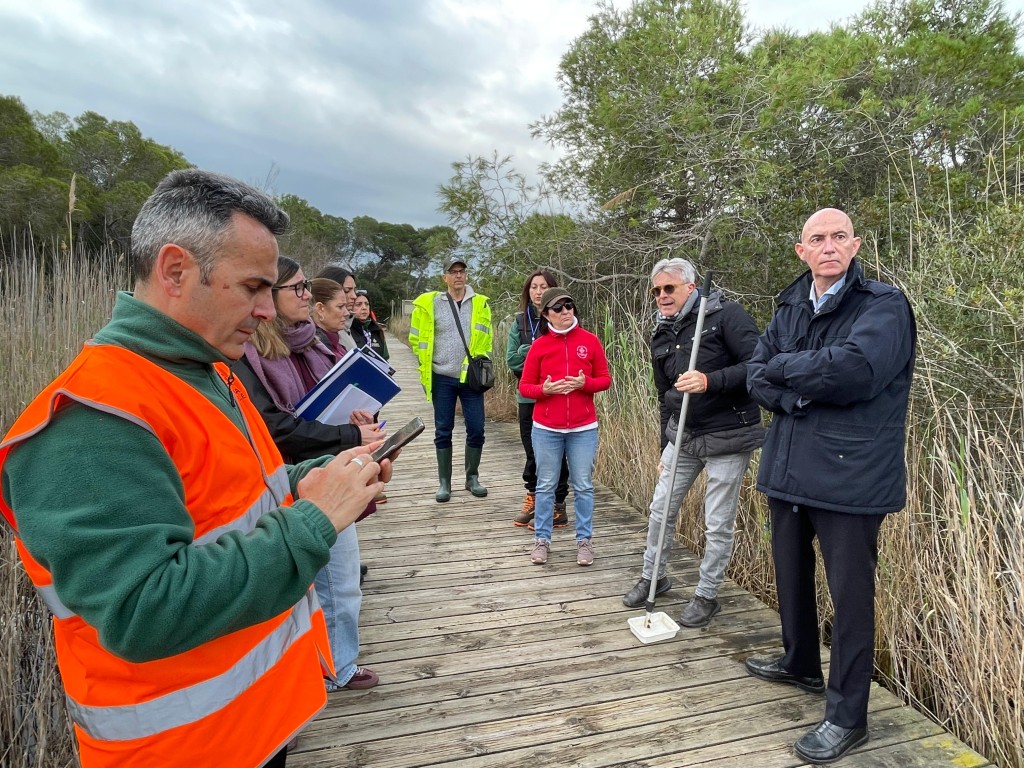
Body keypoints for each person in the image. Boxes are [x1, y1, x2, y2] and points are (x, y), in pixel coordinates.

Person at [0, 169, 392, 768]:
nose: (268, 311)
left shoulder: (210, 371)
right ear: (176, 271)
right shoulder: (89, 420)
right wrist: (315, 519)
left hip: (259, 726)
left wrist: (325, 477)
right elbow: (141, 611)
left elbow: (241, 499)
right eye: (253, 287)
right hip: (177, 749)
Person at [745, 208, 916, 764]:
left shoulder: (883, 305)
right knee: (790, 575)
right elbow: (754, 374)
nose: (828, 247)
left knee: (851, 599)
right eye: (817, 239)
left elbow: (856, 371)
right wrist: (796, 387)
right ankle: (799, 661)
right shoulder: (791, 302)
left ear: (855, 244)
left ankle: (847, 717)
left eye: (838, 237)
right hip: (789, 468)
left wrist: (786, 370)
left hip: (851, 476)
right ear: (802, 250)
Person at [234, 255, 382, 693]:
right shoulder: (248, 351)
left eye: (306, 287)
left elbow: (317, 404)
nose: (306, 294)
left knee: (338, 576)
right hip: (280, 477)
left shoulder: (313, 343)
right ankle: (319, 669)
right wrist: (344, 432)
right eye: (297, 288)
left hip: (324, 468)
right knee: (308, 584)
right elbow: (272, 425)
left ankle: (336, 664)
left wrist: (352, 426)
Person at [621, 258, 765, 628]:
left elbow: (760, 366)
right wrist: (661, 446)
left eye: (669, 288)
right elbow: (661, 395)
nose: (662, 296)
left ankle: (706, 594)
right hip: (683, 436)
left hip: (729, 435)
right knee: (660, 509)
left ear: (690, 286)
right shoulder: (662, 333)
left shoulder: (726, 316)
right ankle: (654, 576)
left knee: (716, 522)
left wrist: (709, 381)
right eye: (656, 291)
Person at [519, 287, 611, 567]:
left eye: (568, 305)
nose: (565, 312)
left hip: (583, 428)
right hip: (546, 428)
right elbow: (525, 387)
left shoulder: (590, 341)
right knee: (545, 486)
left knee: (583, 485)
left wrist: (586, 384)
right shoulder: (539, 346)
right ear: (546, 314)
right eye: (557, 308)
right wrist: (544, 390)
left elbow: (604, 380)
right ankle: (542, 540)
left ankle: (584, 541)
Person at [409, 256, 493, 502]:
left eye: (462, 271)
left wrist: (481, 360)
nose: (458, 275)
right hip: (441, 376)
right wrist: (426, 359)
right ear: (444, 277)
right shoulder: (430, 303)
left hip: (471, 378)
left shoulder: (480, 303)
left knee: (476, 428)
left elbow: (486, 338)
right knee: (443, 430)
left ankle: (472, 477)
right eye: (453, 271)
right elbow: (417, 337)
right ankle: (444, 482)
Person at [506, 269, 570, 529]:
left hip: (555, 398)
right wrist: (531, 349)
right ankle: (533, 496)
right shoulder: (520, 322)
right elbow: (511, 359)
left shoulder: (561, 318)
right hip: (528, 398)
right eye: (534, 287)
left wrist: (536, 356)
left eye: (544, 286)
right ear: (527, 291)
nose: (538, 291)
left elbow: (564, 359)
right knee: (532, 451)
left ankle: (558, 505)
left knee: (558, 452)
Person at [311, 277, 358, 357]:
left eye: (345, 306)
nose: (347, 313)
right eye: (340, 307)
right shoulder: (314, 350)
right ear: (320, 309)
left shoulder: (335, 344)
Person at [351, 290, 390, 360]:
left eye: (366, 304)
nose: (364, 307)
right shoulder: (346, 331)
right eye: (358, 304)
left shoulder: (377, 330)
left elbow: (385, 358)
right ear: (350, 307)